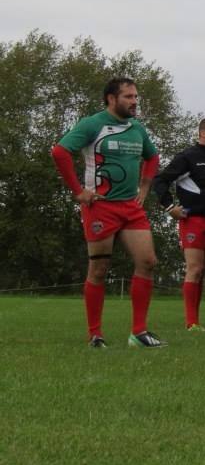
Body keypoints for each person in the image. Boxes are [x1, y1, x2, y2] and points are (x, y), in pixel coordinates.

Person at [52, 77, 164, 348]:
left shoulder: (137, 128)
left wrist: (145, 188)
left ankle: (138, 333)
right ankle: (95, 334)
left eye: (136, 96)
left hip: (131, 208)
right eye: (128, 96)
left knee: (148, 262)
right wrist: (79, 191)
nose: (134, 101)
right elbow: (60, 152)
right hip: (100, 207)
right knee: (99, 269)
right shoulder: (93, 124)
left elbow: (153, 157)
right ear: (111, 99)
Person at [152, 116, 205, 331]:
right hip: (193, 220)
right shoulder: (187, 157)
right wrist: (169, 207)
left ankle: (196, 319)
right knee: (193, 268)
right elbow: (160, 181)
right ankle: (191, 322)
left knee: (202, 270)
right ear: (203, 133)